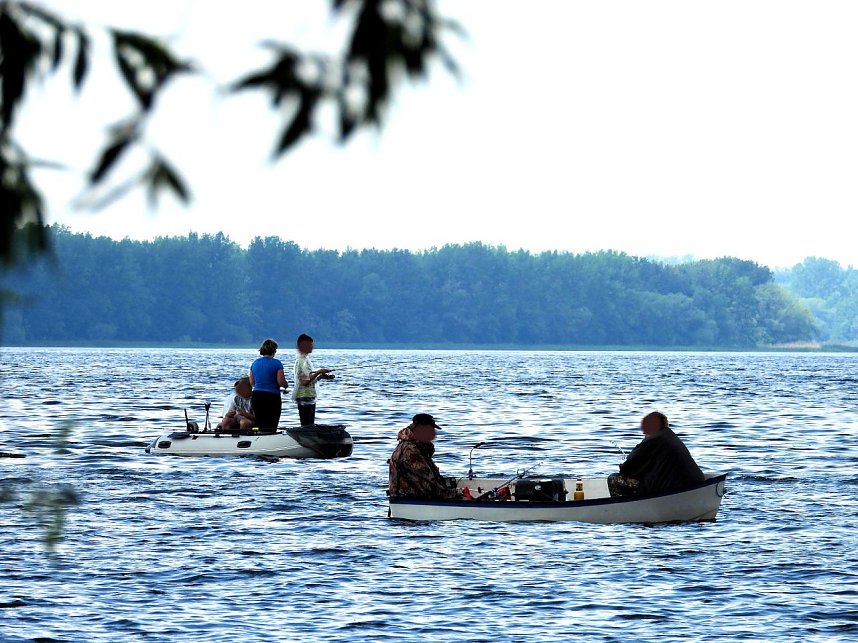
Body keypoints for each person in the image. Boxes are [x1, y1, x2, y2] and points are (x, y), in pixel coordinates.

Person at [607, 411, 705, 497]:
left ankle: (623, 511)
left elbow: (627, 469)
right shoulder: (670, 437)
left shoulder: (652, 441)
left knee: (613, 479)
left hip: (671, 489)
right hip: (694, 484)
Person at [388, 413, 462, 499]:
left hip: (414, 498)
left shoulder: (414, 446)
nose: (433, 434)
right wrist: (457, 495)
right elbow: (430, 482)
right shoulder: (411, 450)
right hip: (411, 500)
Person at [292, 333, 333, 426]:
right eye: (310, 345)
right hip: (304, 396)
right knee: (306, 425)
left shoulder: (306, 360)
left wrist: (320, 377)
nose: (312, 347)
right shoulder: (300, 361)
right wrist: (318, 372)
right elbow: (304, 381)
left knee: (310, 424)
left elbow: (309, 379)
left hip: (309, 396)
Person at [249, 338, 287, 430]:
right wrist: (286, 385)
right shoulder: (277, 363)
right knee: (272, 423)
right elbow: (281, 382)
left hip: (257, 396)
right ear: (274, 351)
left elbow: (252, 382)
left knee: (260, 423)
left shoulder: (255, 363)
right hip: (272, 397)